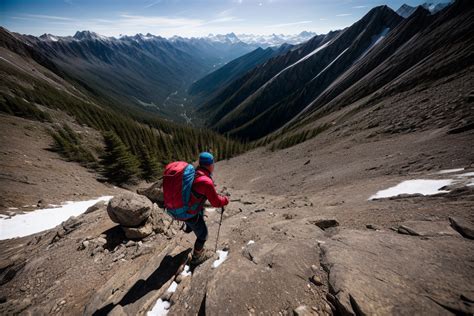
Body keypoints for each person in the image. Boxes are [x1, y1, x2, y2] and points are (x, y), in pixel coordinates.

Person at [184, 152, 229, 266]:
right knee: (203, 235)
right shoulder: (205, 181)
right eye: (213, 163)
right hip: (189, 212)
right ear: (210, 165)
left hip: (183, 206)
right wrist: (225, 200)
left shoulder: (194, 172)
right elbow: (216, 202)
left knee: (201, 211)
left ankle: (188, 227)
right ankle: (196, 257)